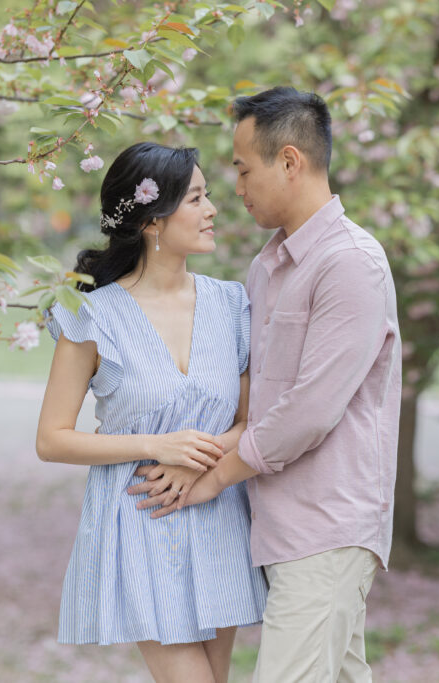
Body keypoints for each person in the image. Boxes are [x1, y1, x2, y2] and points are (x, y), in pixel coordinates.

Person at [131, 87, 402, 682]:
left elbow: (308, 411)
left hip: (327, 528)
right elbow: (255, 400)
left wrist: (215, 477)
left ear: (289, 162)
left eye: (243, 168)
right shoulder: (269, 264)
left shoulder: (350, 263)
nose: (235, 186)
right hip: (279, 524)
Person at [34, 141, 267, 683]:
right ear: (153, 221)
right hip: (141, 518)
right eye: (196, 199)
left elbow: (250, 422)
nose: (213, 210)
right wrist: (156, 445)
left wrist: (197, 459)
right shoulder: (91, 314)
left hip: (218, 516)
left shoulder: (232, 303)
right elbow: (52, 439)